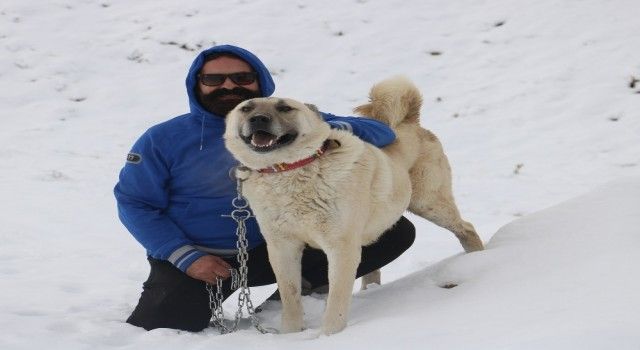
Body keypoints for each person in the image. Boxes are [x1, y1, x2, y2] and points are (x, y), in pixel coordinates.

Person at [114, 44, 415, 332]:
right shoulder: (163, 139)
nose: (229, 86)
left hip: (269, 249)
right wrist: (184, 256)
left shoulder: (290, 119)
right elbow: (134, 203)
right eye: (214, 79)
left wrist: (329, 130)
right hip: (199, 258)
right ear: (197, 85)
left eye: (242, 78)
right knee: (162, 324)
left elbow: (382, 133)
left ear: (260, 81)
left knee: (394, 233)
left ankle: (297, 292)